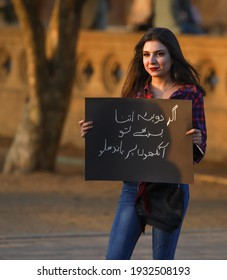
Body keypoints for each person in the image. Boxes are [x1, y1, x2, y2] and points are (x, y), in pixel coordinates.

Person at [79, 27, 207, 260]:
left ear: (172, 56)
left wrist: (196, 141)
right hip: (133, 189)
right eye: (147, 55)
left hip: (171, 189)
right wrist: (94, 133)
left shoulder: (191, 94)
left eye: (159, 54)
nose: (152, 60)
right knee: (114, 261)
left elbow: (198, 152)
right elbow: (118, 142)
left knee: (161, 265)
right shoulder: (135, 95)